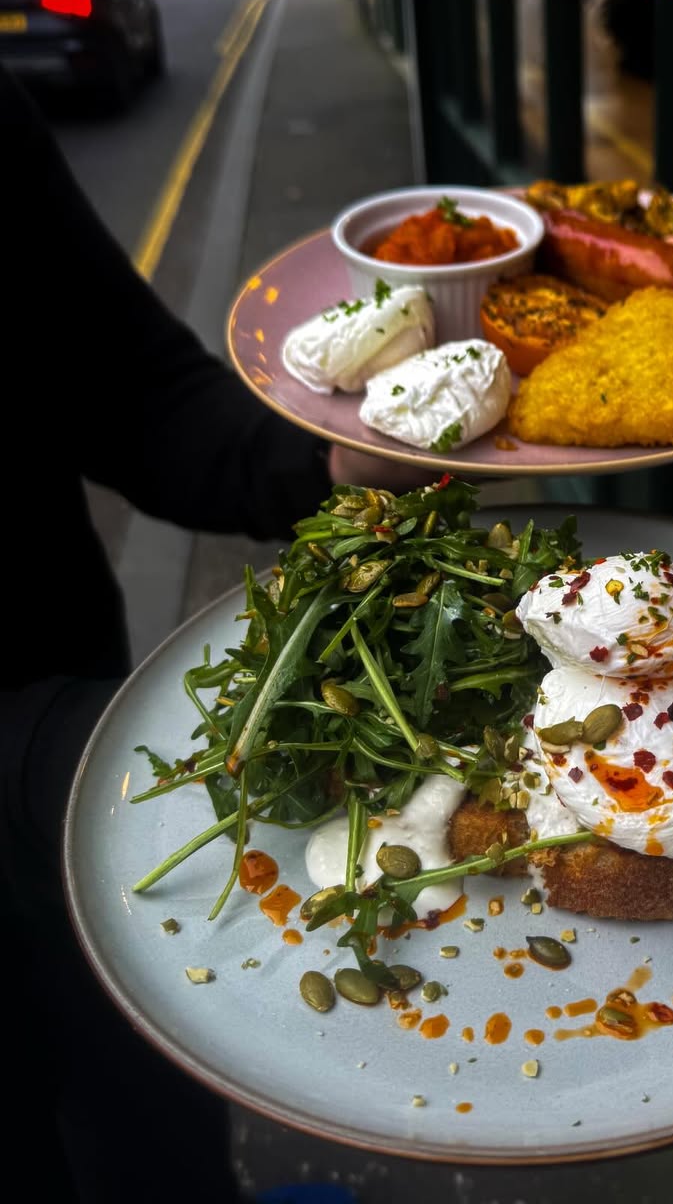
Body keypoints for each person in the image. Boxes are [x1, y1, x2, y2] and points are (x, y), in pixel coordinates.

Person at [0, 64, 426, 1202]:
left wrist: (326, 461)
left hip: (84, 718)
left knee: (154, 1097)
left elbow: (126, 386)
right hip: (60, 756)